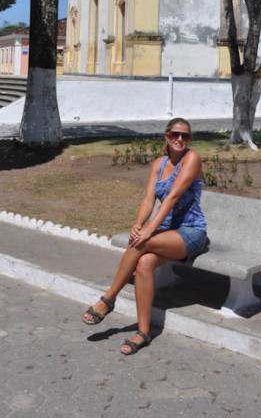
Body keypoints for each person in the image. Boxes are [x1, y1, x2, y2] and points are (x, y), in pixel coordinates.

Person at [81, 117, 208, 355]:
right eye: (175, 135)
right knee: (144, 263)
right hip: (167, 233)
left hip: (191, 233)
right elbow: (149, 198)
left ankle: (108, 299)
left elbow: (171, 198)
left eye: (185, 136)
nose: (180, 139)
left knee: (142, 242)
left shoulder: (192, 159)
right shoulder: (159, 164)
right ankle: (143, 332)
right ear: (166, 137)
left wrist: (149, 231)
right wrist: (139, 224)